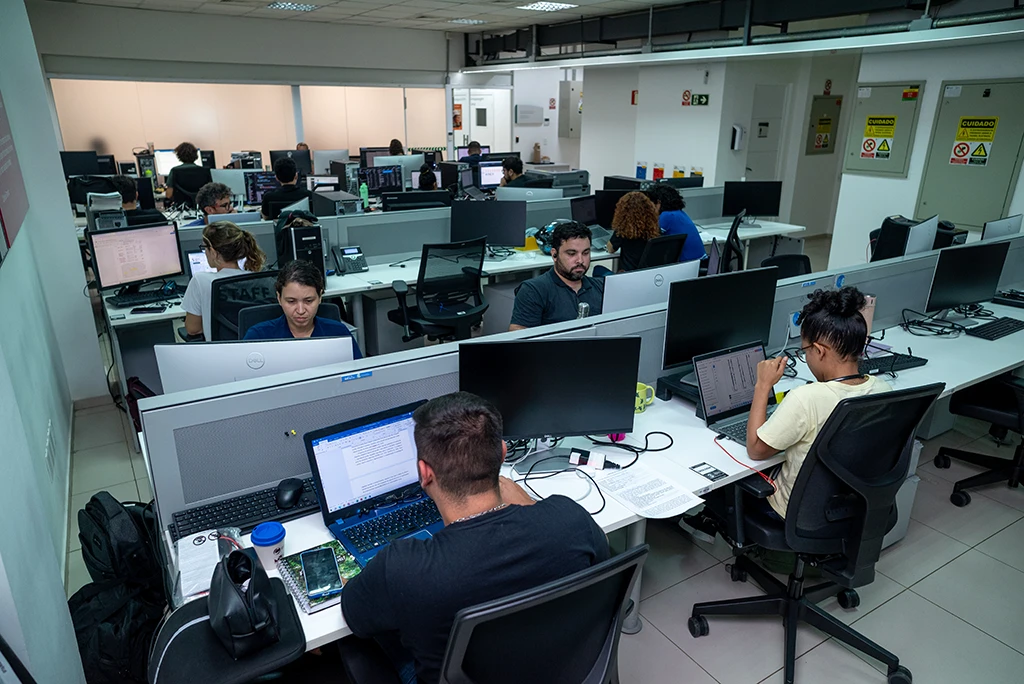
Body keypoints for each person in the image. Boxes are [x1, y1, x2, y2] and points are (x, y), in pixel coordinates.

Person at [340, 392, 609, 684]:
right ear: (503, 453)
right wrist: (530, 506)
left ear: (424, 473)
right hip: (563, 670)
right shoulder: (571, 519)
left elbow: (354, 616)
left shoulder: (402, 567)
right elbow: (599, 575)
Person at [746, 287, 891, 519]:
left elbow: (756, 449)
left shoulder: (806, 398)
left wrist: (762, 386)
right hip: (852, 502)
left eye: (806, 351)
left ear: (819, 350)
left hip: (798, 512)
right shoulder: (883, 390)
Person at [243, 260, 362, 356]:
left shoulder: (339, 333)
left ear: (320, 297)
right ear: (279, 298)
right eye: (291, 301)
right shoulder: (258, 337)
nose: (300, 311)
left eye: (309, 301)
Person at [509, 221, 604, 330]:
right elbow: (518, 333)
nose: (580, 260)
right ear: (554, 255)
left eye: (585, 253)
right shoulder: (534, 290)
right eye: (572, 254)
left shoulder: (601, 287)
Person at [182, 221, 266, 340]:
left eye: (205, 248)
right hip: (257, 352)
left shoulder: (201, 280)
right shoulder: (260, 280)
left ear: (213, 252)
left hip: (220, 355)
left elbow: (193, 329)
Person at [644, 184, 706, 263]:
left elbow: (650, 238)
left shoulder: (666, 216)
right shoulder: (680, 213)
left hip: (690, 265)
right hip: (700, 261)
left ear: (658, 203)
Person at [606, 191, 660, 272]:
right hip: (647, 275)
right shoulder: (655, 230)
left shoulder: (623, 230)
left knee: (598, 269)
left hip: (627, 276)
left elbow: (610, 249)